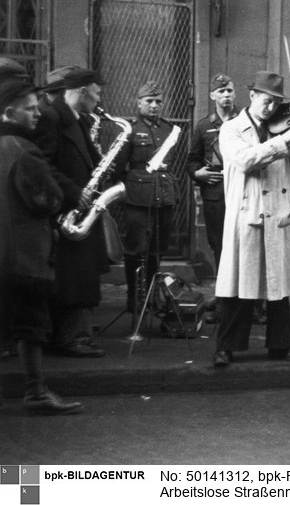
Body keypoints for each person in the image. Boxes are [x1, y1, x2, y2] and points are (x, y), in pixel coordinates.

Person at [212, 71, 290, 367]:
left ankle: (280, 346)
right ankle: (226, 347)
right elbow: (245, 160)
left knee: (277, 285)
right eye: (267, 101)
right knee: (238, 283)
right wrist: (282, 141)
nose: (271, 108)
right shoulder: (231, 129)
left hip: (279, 211)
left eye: (276, 103)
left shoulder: (279, 127)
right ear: (253, 95)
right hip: (248, 211)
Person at [0, 69, 84, 414]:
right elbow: (45, 201)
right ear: (9, 113)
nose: (38, 113)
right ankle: (36, 392)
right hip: (25, 257)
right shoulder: (25, 151)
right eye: (31, 108)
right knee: (31, 326)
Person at [33, 67, 108, 357]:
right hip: (67, 212)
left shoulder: (74, 119)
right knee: (73, 278)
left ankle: (75, 334)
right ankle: (70, 338)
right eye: (97, 93)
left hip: (76, 209)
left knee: (79, 275)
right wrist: (75, 193)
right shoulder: (52, 118)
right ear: (83, 91)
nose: (99, 99)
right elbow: (42, 164)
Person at [118, 81, 179, 314]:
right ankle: (135, 296)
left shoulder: (168, 129)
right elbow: (119, 166)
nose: (154, 105)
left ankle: (152, 296)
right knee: (136, 249)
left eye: (158, 101)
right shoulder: (130, 129)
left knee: (157, 249)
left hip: (163, 196)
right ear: (139, 103)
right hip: (138, 198)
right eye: (149, 101)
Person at [186, 74, 237, 274]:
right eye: (221, 91)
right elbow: (192, 159)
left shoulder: (244, 121)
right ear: (212, 95)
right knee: (218, 242)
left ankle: (245, 299)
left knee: (242, 240)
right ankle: (222, 293)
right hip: (215, 193)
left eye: (229, 91)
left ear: (235, 94)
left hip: (241, 190)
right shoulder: (203, 125)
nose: (226, 95)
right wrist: (198, 174)